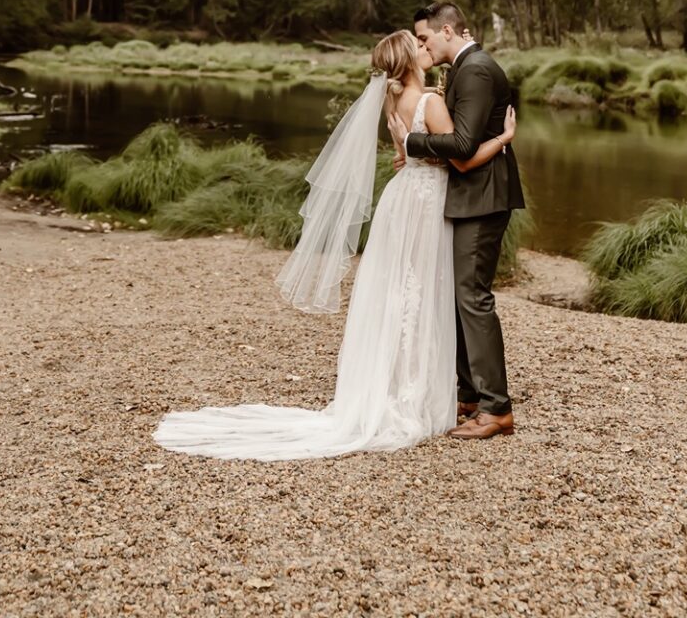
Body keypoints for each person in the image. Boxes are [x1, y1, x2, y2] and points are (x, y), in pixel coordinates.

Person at [152, 28, 515, 461]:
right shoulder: (431, 102)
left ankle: (416, 389)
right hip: (428, 204)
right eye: (418, 46)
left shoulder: (392, 102)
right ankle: (432, 393)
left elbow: (411, 153)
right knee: (427, 293)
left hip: (401, 201)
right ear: (408, 59)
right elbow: (461, 155)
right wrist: (503, 139)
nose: (425, 49)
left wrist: (413, 150)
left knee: (404, 293)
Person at [389, 0, 525, 441]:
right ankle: (470, 396)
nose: (423, 47)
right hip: (467, 197)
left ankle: (496, 408)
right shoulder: (466, 70)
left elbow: (464, 144)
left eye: (425, 38)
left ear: (448, 30)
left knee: (472, 295)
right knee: (457, 294)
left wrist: (413, 143)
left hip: (484, 198)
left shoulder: (477, 70)